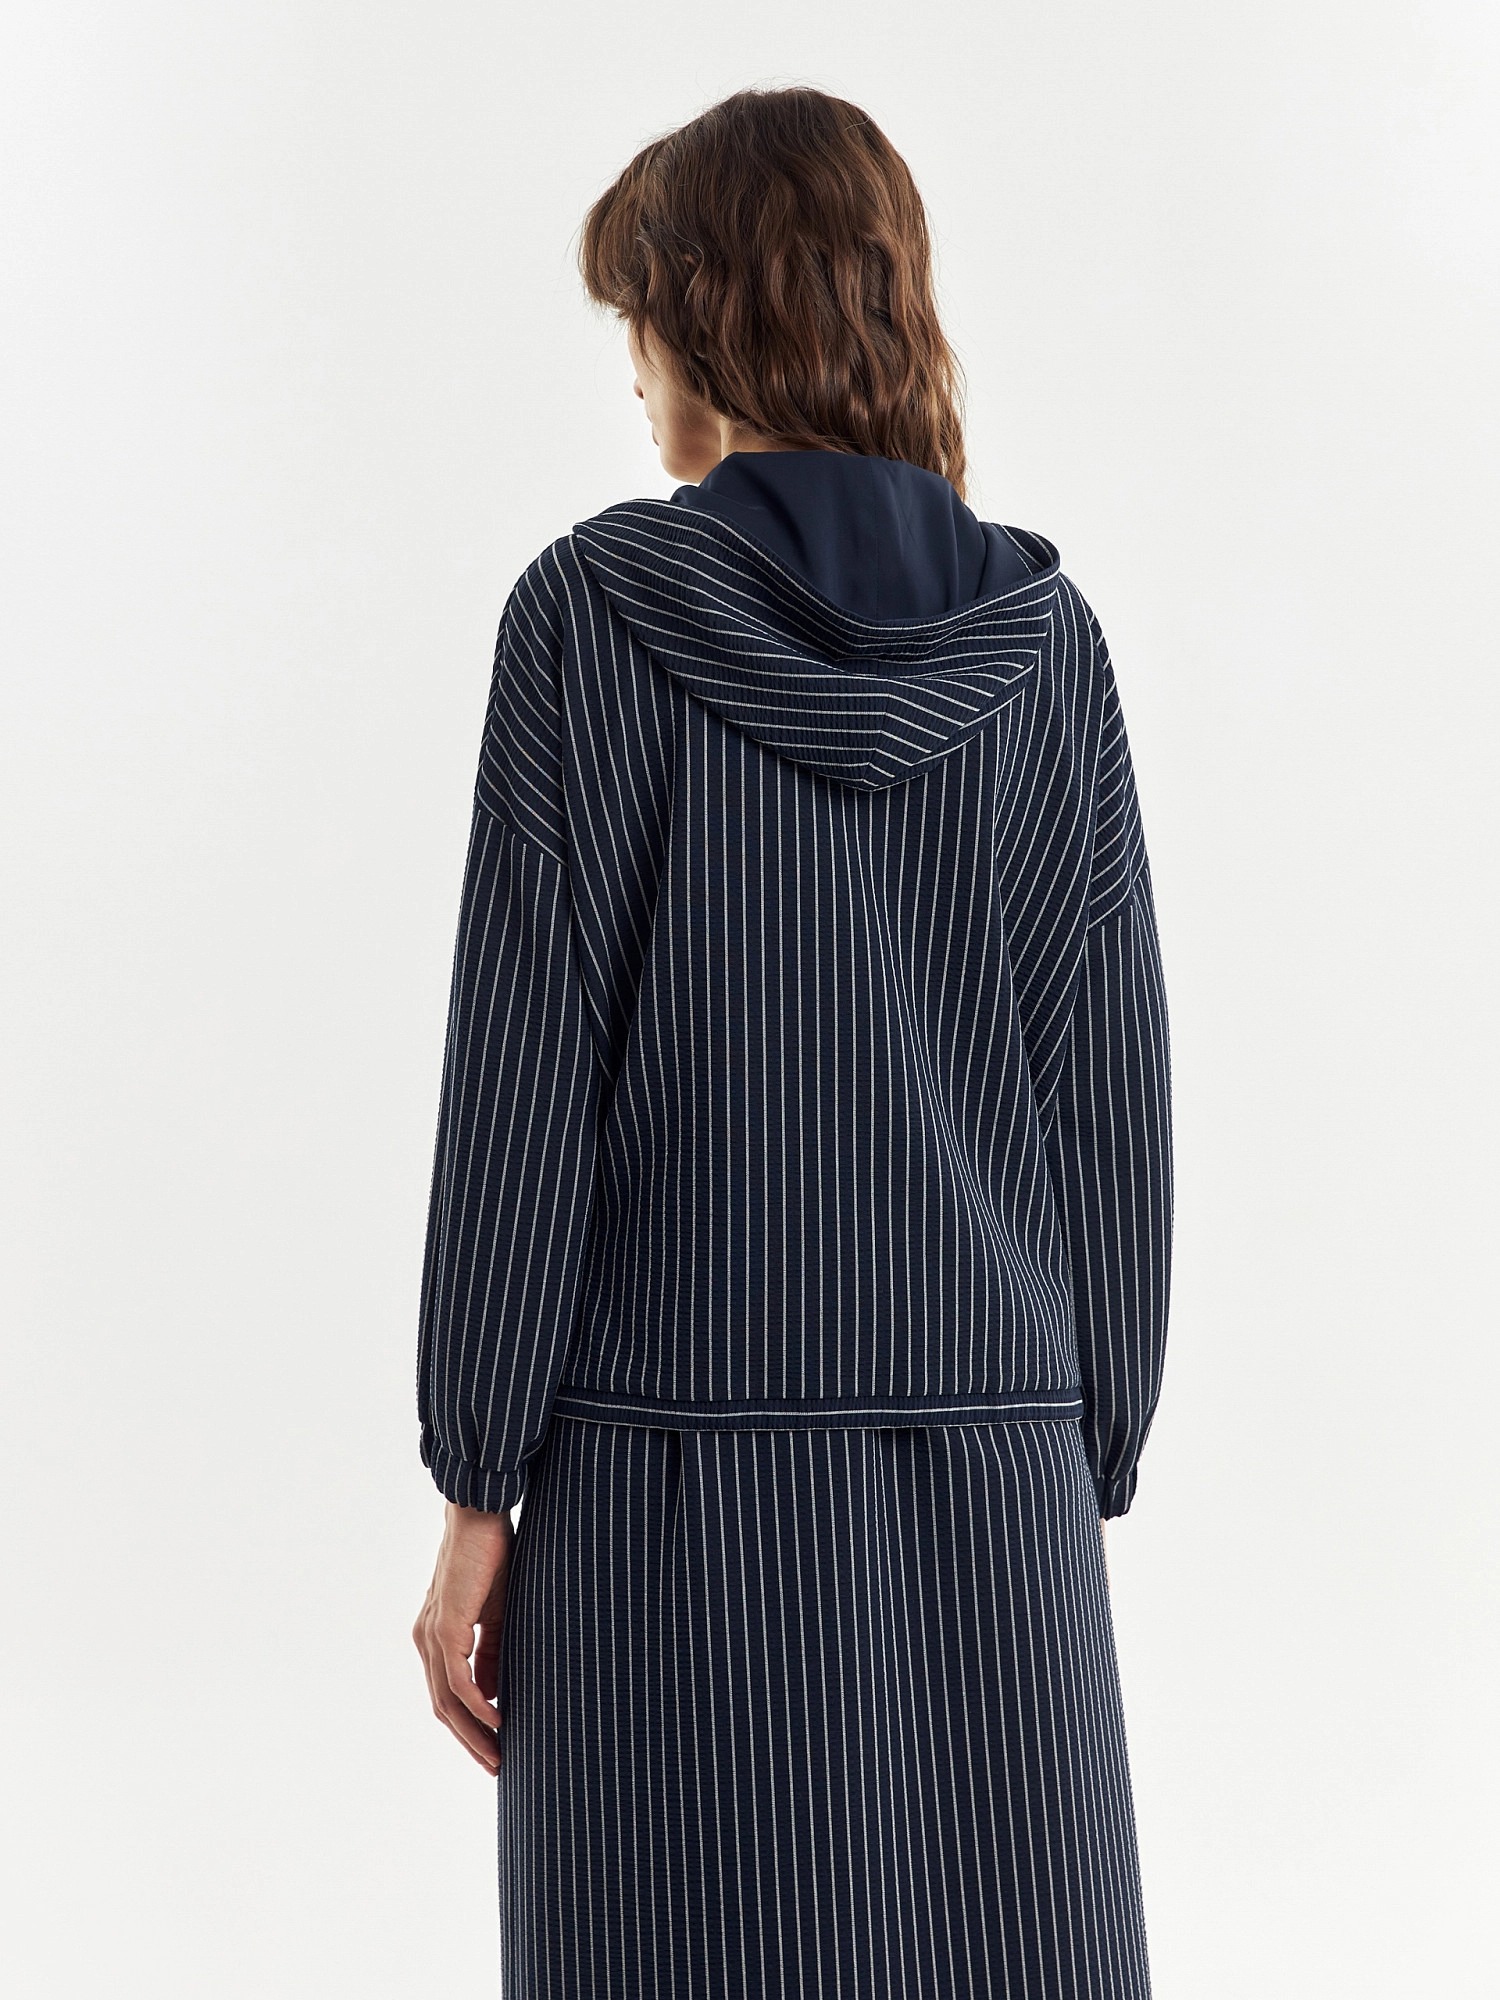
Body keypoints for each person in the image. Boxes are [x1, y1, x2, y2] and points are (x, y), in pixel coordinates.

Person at [411, 84, 1174, 1998]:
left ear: (709, 314)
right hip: (991, 1474)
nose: (632, 367)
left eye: (639, 315)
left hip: (670, 1485)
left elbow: (524, 1088)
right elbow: (1111, 1093)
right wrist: (1078, 1442)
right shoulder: (1048, 654)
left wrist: (477, 1486)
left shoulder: (588, 620)